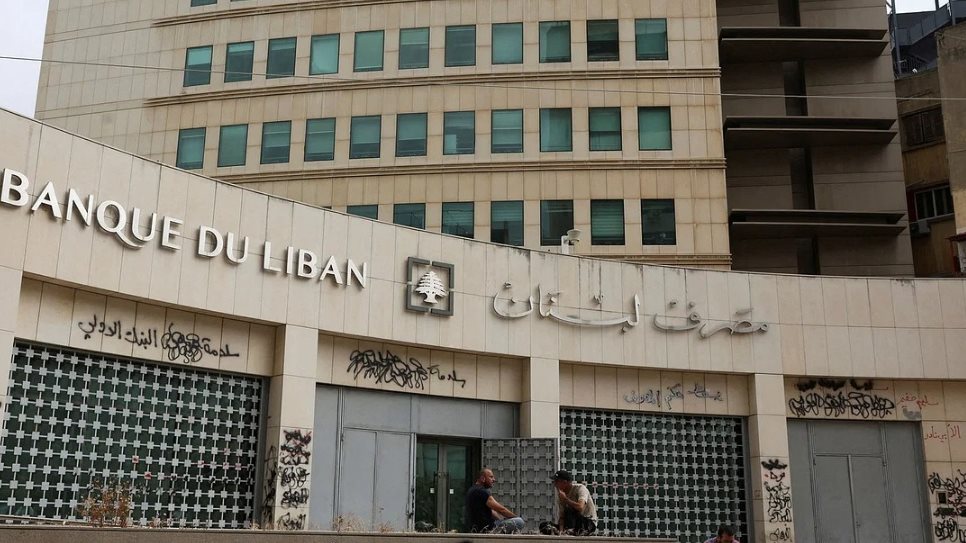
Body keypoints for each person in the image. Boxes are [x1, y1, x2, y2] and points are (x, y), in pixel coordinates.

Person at [464, 468, 525, 533]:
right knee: (520, 521)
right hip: (488, 529)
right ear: (482, 478)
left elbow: (492, 512)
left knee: (506, 521)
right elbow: (501, 510)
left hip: (476, 529)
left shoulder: (472, 490)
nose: (494, 480)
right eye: (491, 477)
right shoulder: (482, 491)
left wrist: (502, 520)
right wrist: (515, 518)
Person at [552, 469, 598, 535]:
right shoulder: (561, 495)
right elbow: (562, 517)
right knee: (545, 526)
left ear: (564, 482)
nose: (555, 485)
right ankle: (567, 531)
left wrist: (566, 499)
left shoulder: (580, 488)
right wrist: (561, 531)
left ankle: (571, 531)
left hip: (587, 522)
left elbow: (580, 507)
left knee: (569, 510)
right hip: (571, 524)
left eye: (556, 482)